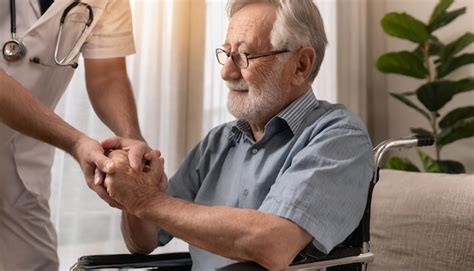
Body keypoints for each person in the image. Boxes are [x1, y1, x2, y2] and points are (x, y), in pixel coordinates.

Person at [103, 0, 373, 270]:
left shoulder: (339, 136)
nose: (226, 72)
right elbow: (144, 241)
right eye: (226, 54)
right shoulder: (218, 142)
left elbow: (273, 243)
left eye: (244, 57)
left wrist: (146, 200)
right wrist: (132, 181)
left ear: (300, 65)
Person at [0, 1, 149, 270]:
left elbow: (107, 75)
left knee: (36, 263)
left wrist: (132, 142)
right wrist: (76, 142)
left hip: (22, 156)